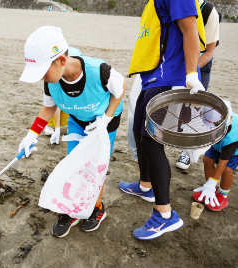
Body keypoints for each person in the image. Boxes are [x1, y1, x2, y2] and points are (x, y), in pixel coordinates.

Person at [18, 26, 126, 238]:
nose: (41, 78)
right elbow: (49, 108)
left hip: (104, 122)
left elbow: (120, 87)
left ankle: (96, 208)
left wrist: (105, 118)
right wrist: (31, 135)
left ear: (61, 60)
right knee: (74, 162)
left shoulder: (100, 70)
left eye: (43, 71)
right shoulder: (51, 82)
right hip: (78, 120)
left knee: (96, 166)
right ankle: (72, 209)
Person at [119, 0, 207, 240]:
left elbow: (189, 27)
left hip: (170, 78)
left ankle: (165, 214)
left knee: (151, 141)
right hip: (153, 78)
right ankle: (145, 186)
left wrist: (190, 74)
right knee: (138, 133)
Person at [176, 0, 221, 169]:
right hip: (176, 61)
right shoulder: (176, 3)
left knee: (194, 108)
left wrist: (190, 72)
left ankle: (186, 153)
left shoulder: (209, 11)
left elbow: (209, 51)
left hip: (199, 64)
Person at [193, 103, 238, 211]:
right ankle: (211, 189)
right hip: (222, 140)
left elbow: (222, 163)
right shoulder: (215, 117)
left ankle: (223, 196)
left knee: (227, 169)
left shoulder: (232, 138)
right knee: (207, 159)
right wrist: (210, 186)